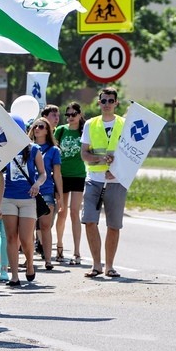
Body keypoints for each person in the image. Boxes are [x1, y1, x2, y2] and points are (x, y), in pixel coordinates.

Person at [81, 87, 127, 278]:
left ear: (116, 103)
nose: (107, 104)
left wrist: (116, 169)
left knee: (114, 225)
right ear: (98, 103)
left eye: (111, 100)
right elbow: (84, 153)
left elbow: (133, 155)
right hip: (94, 179)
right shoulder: (91, 124)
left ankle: (109, 266)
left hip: (117, 181)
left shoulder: (125, 124)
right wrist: (101, 161)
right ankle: (96, 264)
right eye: (104, 101)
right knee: (90, 220)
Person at [2, 116, 46, 287]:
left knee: (26, 238)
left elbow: (43, 174)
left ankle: (29, 263)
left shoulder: (34, 149)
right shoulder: (3, 149)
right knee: (11, 237)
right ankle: (14, 276)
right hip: (8, 198)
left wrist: (37, 184)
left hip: (28, 198)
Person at [28, 117, 63, 270]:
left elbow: (57, 175)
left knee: (45, 226)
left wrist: (60, 196)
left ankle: (48, 259)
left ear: (47, 130)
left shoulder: (54, 150)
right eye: (35, 126)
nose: (37, 129)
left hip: (47, 191)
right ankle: (28, 260)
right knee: (28, 227)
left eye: (41, 126)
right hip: (28, 190)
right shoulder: (27, 148)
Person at [54, 102, 86, 263]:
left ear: (80, 115)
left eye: (73, 114)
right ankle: (59, 247)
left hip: (78, 174)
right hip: (62, 175)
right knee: (62, 212)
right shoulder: (61, 130)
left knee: (75, 212)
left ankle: (77, 251)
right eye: (68, 115)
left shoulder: (85, 130)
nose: (70, 118)